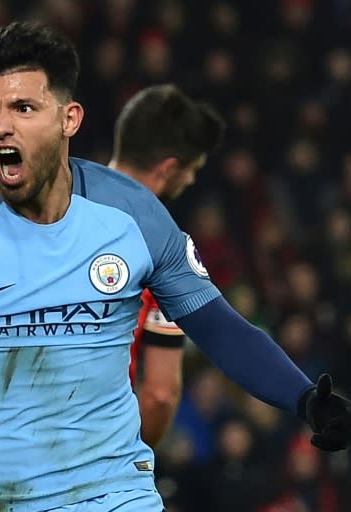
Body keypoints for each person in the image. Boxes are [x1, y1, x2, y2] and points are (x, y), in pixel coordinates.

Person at [0, 21, 351, 512]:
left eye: (23, 108)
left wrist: (304, 398)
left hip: (116, 495)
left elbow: (220, 329)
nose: (1, 126)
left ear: (69, 119)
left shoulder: (134, 216)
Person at [109, 84, 225, 448]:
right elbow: (160, 393)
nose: (190, 182)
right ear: (169, 168)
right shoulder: (163, 251)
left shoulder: (49, 207)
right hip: (93, 449)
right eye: (192, 170)